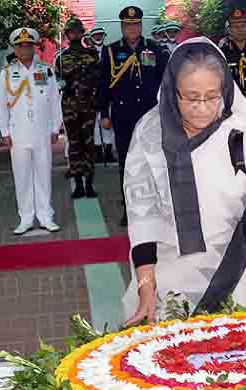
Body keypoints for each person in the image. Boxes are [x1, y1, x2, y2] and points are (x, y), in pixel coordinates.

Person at [123, 37, 246, 324]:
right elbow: (142, 217)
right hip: (166, 279)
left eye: (212, 97)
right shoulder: (150, 134)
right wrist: (146, 286)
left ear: (225, 90)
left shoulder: (245, 130)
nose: (202, 107)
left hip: (235, 272)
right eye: (191, 97)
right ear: (171, 92)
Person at [97, 6, 169, 226]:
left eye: (136, 24)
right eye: (128, 25)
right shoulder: (110, 51)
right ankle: (131, 209)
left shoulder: (155, 49)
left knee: (153, 162)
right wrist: (103, 112)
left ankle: (156, 207)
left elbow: (167, 81)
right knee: (128, 165)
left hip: (150, 115)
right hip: (123, 115)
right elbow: (103, 84)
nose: (133, 28)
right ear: (122, 27)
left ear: (141, 26)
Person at [0, 27, 63, 235]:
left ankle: (45, 216)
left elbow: (54, 101)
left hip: (42, 131)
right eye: (20, 46)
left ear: (35, 48)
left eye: (28, 46)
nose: (24, 50)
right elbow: (0, 104)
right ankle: (25, 217)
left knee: (43, 174)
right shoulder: (6, 74)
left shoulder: (46, 71)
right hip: (18, 133)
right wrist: (4, 132)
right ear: (15, 49)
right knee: (22, 176)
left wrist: (55, 127)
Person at [55, 18, 100, 199]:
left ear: (82, 33)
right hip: (70, 107)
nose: (74, 35)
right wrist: (67, 85)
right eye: (71, 32)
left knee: (88, 145)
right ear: (66, 35)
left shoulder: (92, 53)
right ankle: (78, 184)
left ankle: (89, 184)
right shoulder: (61, 57)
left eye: (77, 32)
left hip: (88, 106)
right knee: (74, 145)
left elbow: (98, 77)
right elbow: (57, 81)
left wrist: (87, 85)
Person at [85, 26, 116, 164]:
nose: (98, 37)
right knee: (95, 123)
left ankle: (108, 151)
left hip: (107, 90)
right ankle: (97, 151)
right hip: (92, 91)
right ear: (91, 37)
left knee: (106, 120)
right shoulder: (87, 53)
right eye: (95, 35)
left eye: (100, 35)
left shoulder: (109, 50)